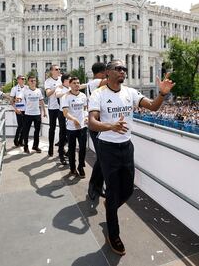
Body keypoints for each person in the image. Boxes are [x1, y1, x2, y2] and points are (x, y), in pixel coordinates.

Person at [88, 59, 175, 256]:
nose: (122, 71)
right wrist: (111, 126)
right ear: (108, 73)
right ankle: (113, 234)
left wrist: (161, 93)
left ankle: (111, 205)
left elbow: (153, 107)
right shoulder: (98, 94)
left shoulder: (131, 92)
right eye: (118, 69)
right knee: (112, 190)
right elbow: (92, 122)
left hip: (126, 147)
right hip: (107, 147)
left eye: (124, 69)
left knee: (127, 190)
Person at [85, 62, 108, 200]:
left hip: (97, 124)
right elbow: (108, 80)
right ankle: (94, 186)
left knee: (102, 157)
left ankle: (97, 186)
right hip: (97, 125)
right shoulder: (97, 82)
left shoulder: (90, 83)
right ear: (102, 72)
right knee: (102, 157)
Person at [62, 77, 87, 177]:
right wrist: (74, 119)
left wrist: (86, 117)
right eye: (74, 83)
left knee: (82, 148)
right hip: (71, 128)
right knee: (71, 149)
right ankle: (72, 168)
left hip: (82, 127)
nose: (77, 85)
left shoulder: (83, 96)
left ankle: (80, 167)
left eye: (78, 83)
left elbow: (85, 108)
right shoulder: (66, 97)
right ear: (70, 85)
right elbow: (65, 113)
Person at [19, 76, 47, 154]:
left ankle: (35, 146)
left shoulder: (38, 90)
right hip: (28, 114)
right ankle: (26, 147)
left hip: (37, 114)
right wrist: (18, 107)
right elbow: (19, 99)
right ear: (28, 82)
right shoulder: (25, 91)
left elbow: (41, 101)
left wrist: (44, 111)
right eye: (31, 81)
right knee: (26, 131)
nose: (33, 82)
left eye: (34, 80)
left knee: (37, 131)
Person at [44, 64, 62, 156]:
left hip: (62, 107)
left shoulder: (62, 79)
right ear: (51, 71)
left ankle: (61, 148)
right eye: (56, 69)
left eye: (59, 69)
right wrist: (56, 88)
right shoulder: (48, 81)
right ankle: (50, 147)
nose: (58, 70)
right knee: (52, 128)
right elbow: (47, 94)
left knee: (63, 128)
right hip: (52, 108)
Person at [55, 73, 71, 165]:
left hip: (71, 113)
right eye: (69, 79)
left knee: (71, 134)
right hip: (62, 113)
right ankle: (61, 155)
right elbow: (57, 95)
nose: (71, 81)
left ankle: (68, 152)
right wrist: (68, 92)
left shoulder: (70, 87)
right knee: (63, 134)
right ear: (64, 81)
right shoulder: (60, 88)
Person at [10, 75, 27, 147]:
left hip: (26, 109)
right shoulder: (14, 88)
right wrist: (15, 109)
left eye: (24, 79)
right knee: (20, 125)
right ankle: (16, 140)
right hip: (19, 109)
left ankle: (21, 141)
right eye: (22, 79)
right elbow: (11, 100)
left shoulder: (27, 88)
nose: (23, 80)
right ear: (18, 80)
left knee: (25, 126)